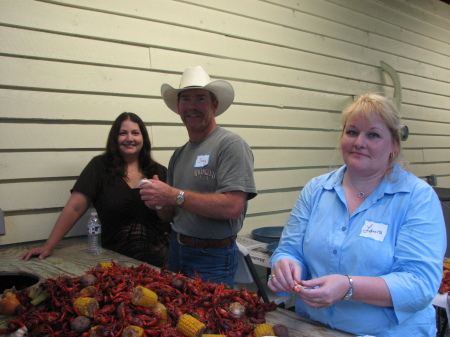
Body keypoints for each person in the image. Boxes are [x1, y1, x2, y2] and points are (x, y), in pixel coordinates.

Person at [268, 93, 446, 336]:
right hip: (313, 327)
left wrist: (348, 286)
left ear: (394, 144)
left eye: (373, 134)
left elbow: (420, 285)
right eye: (352, 132)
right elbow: (289, 249)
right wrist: (286, 267)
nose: (359, 142)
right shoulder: (316, 190)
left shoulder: (417, 198)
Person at [139, 66, 257, 287]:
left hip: (213, 257)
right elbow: (170, 215)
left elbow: (233, 207)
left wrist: (173, 195)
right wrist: (158, 201)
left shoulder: (231, 145)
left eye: (200, 98)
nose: (192, 106)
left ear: (214, 105)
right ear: (178, 107)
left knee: (209, 320)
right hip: (176, 250)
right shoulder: (179, 154)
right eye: (185, 99)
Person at [20, 112, 171, 268]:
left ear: (143, 138)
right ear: (115, 138)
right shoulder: (100, 167)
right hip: (116, 263)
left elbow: (170, 217)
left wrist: (160, 205)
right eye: (123, 133)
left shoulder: (158, 171)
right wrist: (49, 245)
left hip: (161, 261)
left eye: (135, 133)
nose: (129, 138)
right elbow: (75, 207)